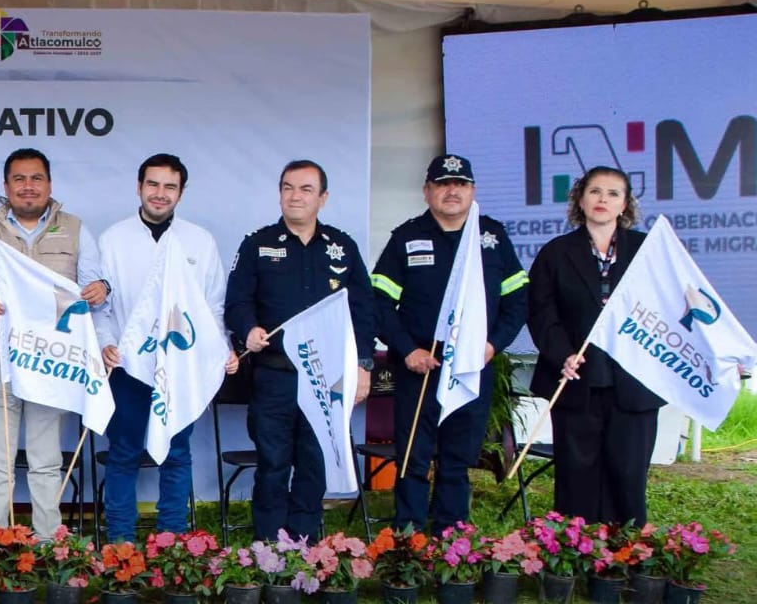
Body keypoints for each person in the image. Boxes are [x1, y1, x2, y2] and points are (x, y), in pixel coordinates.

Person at [369, 154, 528, 534]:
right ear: (427, 191)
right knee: (413, 456)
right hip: (420, 364)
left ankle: (451, 538)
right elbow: (378, 302)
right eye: (442, 184)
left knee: (457, 457)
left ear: (472, 190)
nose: (451, 191)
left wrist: (492, 345)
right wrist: (407, 349)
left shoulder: (492, 238)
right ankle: (408, 537)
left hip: (472, 362)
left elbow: (518, 300)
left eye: (460, 184)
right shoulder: (406, 238)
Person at [224, 159, 374, 541]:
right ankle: (269, 549)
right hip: (274, 375)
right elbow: (237, 302)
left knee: (315, 462)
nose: (295, 196)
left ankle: (305, 545)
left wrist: (363, 366)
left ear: (323, 198)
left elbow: (363, 311)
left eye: (306, 189)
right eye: (288, 188)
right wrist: (248, 329)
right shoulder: (257, 244)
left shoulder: (342, 247)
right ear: (279, 194)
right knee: (273, 464)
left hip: (326, 377)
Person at [94, 154, 238, 542]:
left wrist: (222, 348)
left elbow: (213, 306)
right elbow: (102, 306)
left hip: (180, 367)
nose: (160, 194)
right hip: (127, 366)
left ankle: (172, 542)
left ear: (181, 192)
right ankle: (120, 543)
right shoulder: (113, 239)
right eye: (153, 184)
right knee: (124, 452)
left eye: (169, 187)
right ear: (139, 187)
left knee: (176, 452)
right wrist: (106, 343)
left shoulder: (199, 241)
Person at [0, 148, 107, 536]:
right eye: (19, 179)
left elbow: (93, 284)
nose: (28, 186)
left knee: (46, 460)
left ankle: (49, 543)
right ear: (5, 186)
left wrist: (101, 289)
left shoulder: (75, 228)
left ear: (49, 184)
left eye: (36, 178)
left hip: (51, 363)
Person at [527, 165, 660, 525]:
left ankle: (626, 547)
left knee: (628, 472)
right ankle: (578, 547)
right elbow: (541, 313)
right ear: (580, 200)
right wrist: (562, 355)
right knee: (576, 474)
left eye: (613, 193)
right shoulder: (556, 253)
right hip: (577, 379)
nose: (603, 199)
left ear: (625, 204)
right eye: (595, 191)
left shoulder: (648, 250)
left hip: (634, 383)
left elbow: (669, 305)